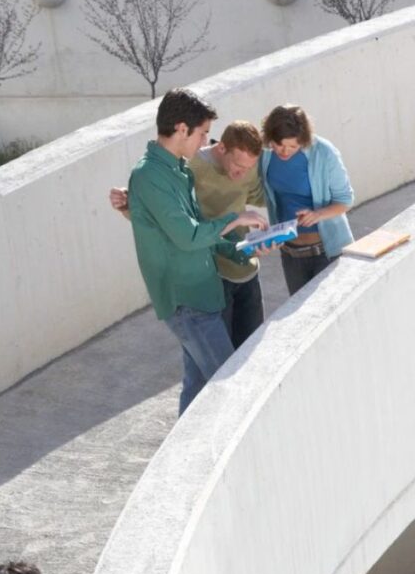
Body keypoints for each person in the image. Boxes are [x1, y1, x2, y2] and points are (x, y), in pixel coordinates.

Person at [124, 88, 266, 413]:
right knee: (231, 389)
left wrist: (244, 250)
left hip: (204, 294)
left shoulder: (179, 170)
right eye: (203, 133)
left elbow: (202, 227)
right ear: (182, 129)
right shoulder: (149, 176)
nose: (206, 143)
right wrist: (236, 218)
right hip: (186, 302)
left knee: (199, 386)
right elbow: (188, 237)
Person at [108, 120, 277, 347]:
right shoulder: (191, 166)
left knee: (250, 353)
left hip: (245, 266)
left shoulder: (248, 168)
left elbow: (265, 197)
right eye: (238, 165)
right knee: (220, 361)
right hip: (213, 274)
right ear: (221, 148)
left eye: (249, 168)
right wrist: (130, 203)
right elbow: (165, 218)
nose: (243, 173)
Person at [260, 104, 356, 292]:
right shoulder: (265, 155)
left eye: (292, 146)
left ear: (303, 141)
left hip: (326, 252)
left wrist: (318, 214)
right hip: (289, 252)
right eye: (279, 145)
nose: (285, 151)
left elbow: (345, 200)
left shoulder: (324, 152)